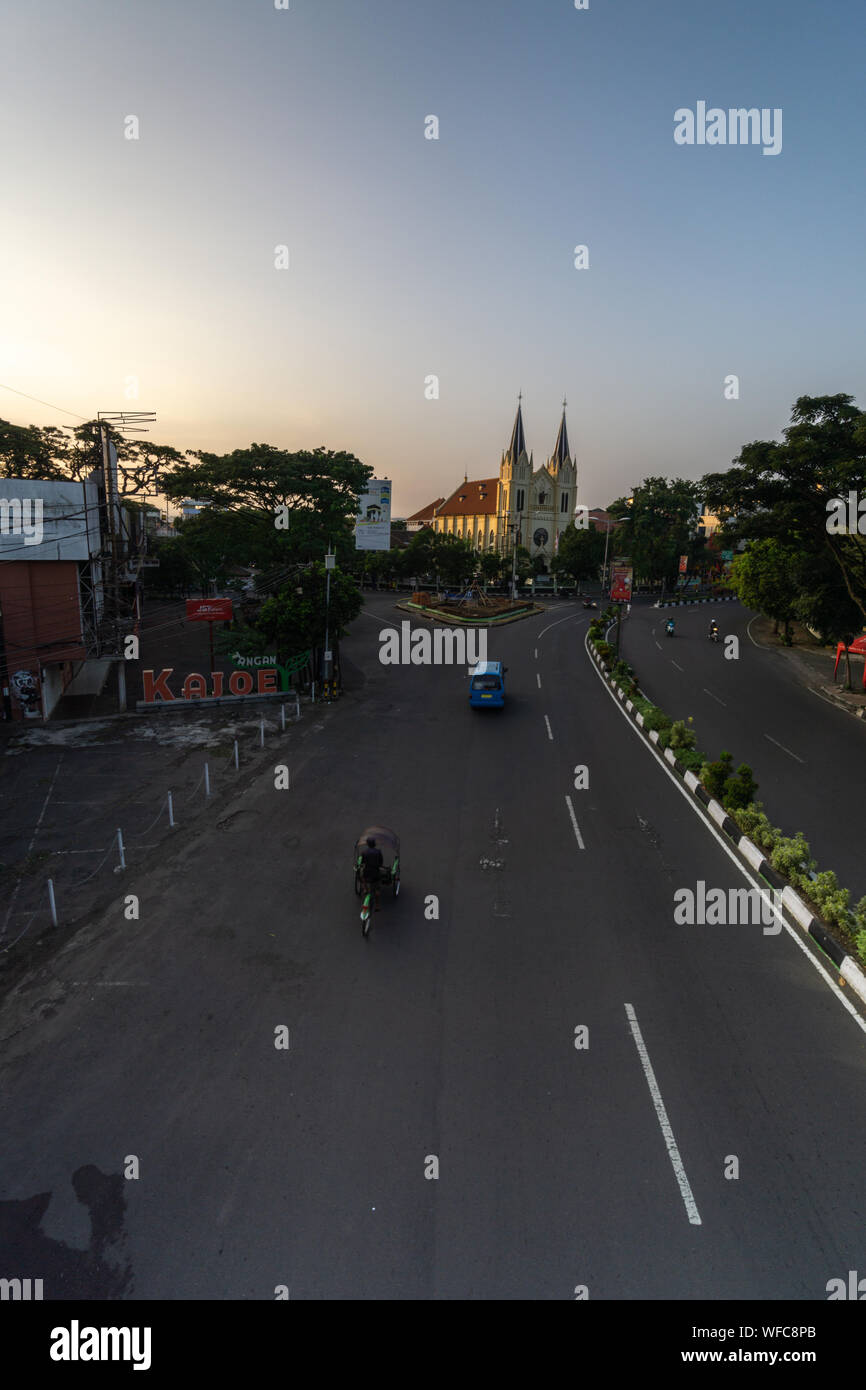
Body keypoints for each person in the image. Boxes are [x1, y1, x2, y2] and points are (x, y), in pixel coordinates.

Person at [359, 836, 384, 911]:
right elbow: (380, 863)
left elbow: (362, 862)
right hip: (376, 873)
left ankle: (365, 889)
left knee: (361, 877)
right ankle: (377, 905)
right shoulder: (378, 852)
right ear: (374, 844)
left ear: (367, 844)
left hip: (367, 873)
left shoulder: (364, 852)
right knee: (377, 889)